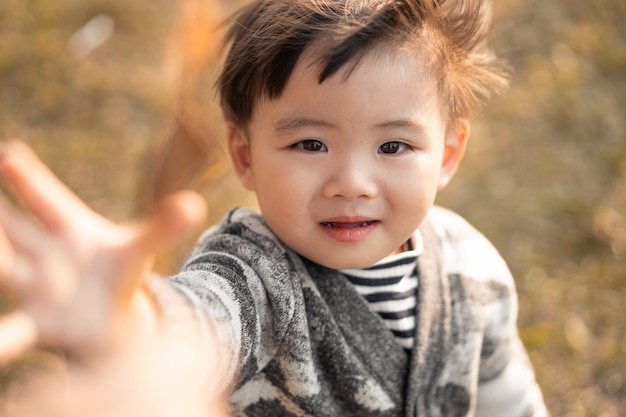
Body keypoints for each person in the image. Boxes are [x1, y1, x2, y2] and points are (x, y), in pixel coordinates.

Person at [0, 0, 550, 416]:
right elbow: (200, 325)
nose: (351, 184)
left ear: (449, 151)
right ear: (245, 156)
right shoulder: (257, 279)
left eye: (393, 146)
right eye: (310, 144)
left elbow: (506, 393)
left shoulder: (473, 269)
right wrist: (126, 324)